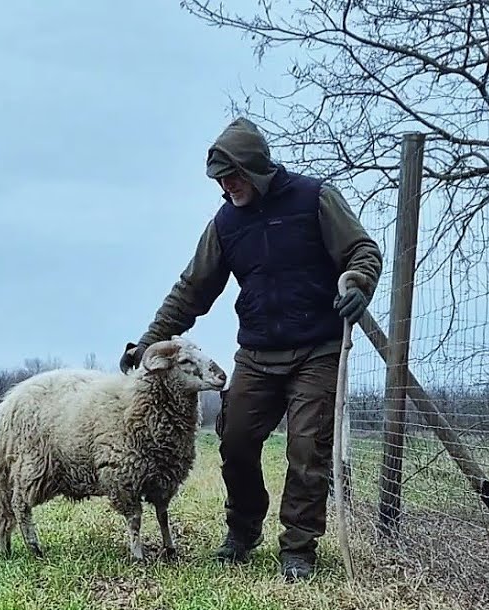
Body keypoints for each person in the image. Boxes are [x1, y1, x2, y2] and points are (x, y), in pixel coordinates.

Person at [119, 117, 383, 581]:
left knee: (307, 449)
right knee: (236, 440)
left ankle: (298, 548)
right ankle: (242, 531)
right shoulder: (225, 224)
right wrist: (147, 342)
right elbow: (190, 291)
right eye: (220, 180)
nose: (227, 187)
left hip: (317, 348)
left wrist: (359, 283)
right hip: (258, 353)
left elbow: (363, 250)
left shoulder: (314, 200)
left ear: (256, 169)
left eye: (233, 176)